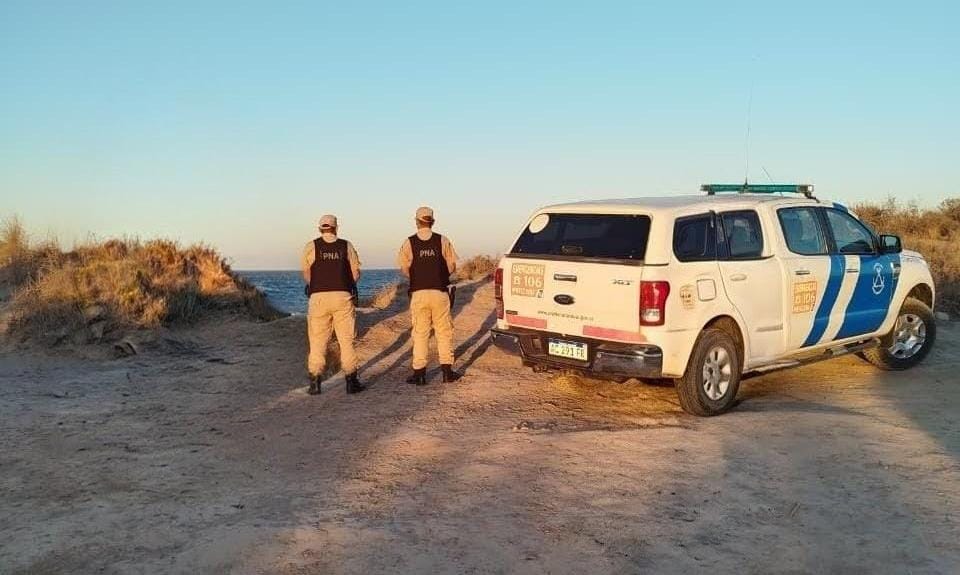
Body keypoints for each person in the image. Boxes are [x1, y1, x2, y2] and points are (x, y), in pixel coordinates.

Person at [397, 206, 461, 385]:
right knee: (444, 332)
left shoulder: (409, 242)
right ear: (433, 221)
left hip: (419, 293)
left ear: (416, 221)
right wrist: (440, 276)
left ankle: (419, 374)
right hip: (440, 292)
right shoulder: (443, 240)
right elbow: (452, 266)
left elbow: (404, 268)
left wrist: (418, 278)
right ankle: (447, 372)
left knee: (420, 333)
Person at [301, 214, 365, 395]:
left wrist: (317, 286)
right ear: (336, 228)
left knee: (317, 341)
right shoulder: (346, 245)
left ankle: (315, 383)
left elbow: (306, 273)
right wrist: (346, 285)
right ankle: (351, 382)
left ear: (320, 228)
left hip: (318, 298)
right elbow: (355, 273)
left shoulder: (311, 246)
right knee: (346, 341)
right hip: (342, 296)